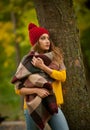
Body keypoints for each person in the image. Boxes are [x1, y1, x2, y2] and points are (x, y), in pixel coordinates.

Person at [11, 23, 69, 130]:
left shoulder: (56, 57)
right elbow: (18, 89)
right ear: (36, 42)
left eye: (48, 38)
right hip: (32, 106)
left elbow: (62, 77)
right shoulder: (27, 61)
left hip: (53, 104)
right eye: (43, 38)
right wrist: (36, 90)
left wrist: (43, 67)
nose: (47, 41)